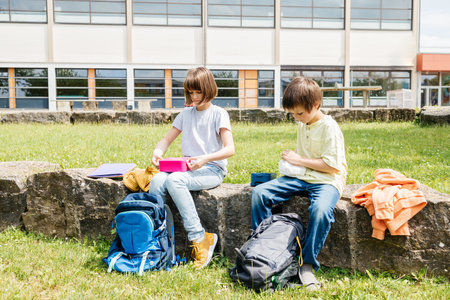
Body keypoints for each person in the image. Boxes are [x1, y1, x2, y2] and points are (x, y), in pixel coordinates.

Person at [251, 77, 347, 290]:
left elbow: (332, 166)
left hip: (326, 180)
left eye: (299, 113)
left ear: (316, 105)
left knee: (321, 210)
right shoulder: (304, 122)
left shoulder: (329, 127)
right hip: (302, 177)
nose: (296, 118)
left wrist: (298, 160)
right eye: (292, 114)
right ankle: (263, 249)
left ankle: (307, 264)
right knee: (260, 193)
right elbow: (305, 159)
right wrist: (293, 161)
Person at [149, 67, 235, 269]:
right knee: (156, 181)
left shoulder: (219, 114)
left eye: (199, 92)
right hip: (188, 168)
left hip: (212, 169)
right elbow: (166, 139)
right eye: (191, 93)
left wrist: (205, 159)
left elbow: (230, 149)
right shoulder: (185, 114)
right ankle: (160, 241)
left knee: (174, 180)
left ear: (209, 89)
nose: (195, 97)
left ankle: (200, 238)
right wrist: (158, 152)